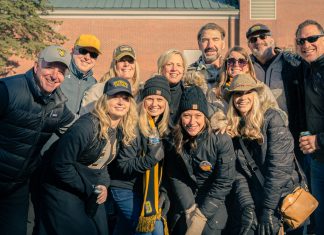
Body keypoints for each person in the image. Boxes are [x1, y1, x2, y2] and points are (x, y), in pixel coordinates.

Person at [37, 77, 138, 235]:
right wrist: (89, 187)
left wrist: (103, 184)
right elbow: (60, 165)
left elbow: (102, 163)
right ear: (104, 100)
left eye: (125, 98)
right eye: (115, 96)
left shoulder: (120, 130)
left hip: (87, 187)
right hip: (60, 186)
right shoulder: (86, 126)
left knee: (101, 230)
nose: (120, 102)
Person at [0, 45, 74, 235]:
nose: (54, 75)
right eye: (50, 67)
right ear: (36, 66)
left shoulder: (58, 105)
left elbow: (77, 130)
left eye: (61, 71)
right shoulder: (8, 89)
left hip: (17, 186)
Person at [226, 73, 303, 235]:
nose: (243, 97)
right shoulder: (234, 128)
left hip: (284, 200)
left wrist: (268, 209)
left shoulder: (272, 119)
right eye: (238, 94)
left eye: (248, 92)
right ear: (232, 99)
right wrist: (248, 207)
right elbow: (239, 174)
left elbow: (279, 171)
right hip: (257, 199)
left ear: (256, 95)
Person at [165, 85, 236, 235]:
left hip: (212, 203)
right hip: (185, 201)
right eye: (186, 115)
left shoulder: (220, 138)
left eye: (197, 116)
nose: (192, 122)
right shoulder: (174, 139)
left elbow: (224, 181)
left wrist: (201, 216)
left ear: (205, 116)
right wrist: (190, 210)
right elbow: (176, 176)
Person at [108, 75, 171, 235]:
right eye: (150, 99)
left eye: (160, 99)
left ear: (166, 104)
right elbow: (123, 165)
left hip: (146, 189)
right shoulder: (133, 125)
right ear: (142, 100)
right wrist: (150, 159)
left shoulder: (162, 127)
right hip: (125, 188)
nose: (155, 104)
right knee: (152, 230)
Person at [246, 24, 305, 149]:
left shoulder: (291, 63)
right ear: (249, 45)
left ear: (272, 40)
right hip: (257, 134)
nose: (258, 42)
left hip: (289, 132)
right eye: (253, 40)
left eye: (263, 36)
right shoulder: (245, 66)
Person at [296, 19, 324, 235]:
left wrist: (318, 140)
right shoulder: (308, 69)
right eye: (301, 41)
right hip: (317, 160)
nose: (306, 44)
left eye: (312, 38)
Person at [80, 44, 141, 114]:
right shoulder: (98, 90)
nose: (126, 64)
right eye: (122, 60)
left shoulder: (140, 93)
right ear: (114, 64)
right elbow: (84, 118)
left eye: (130, 60)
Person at [189, 22, 226, 88]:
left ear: (223, 44)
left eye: (215, 39)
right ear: (199, 45)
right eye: (205, 40)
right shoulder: (189, 73)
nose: (210, 45)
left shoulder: (230, 71)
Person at [157, 49, 187, 125]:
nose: (174, 69)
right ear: (161, 68)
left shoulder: (190, 93)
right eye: (169, 64)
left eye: (179, 65)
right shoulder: (151, 92)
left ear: (183, 70)